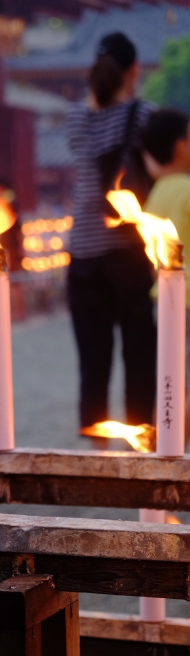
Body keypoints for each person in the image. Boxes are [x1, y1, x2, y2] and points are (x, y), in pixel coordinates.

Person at [67, 32, 156, 430]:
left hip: (82, 252)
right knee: (138, 353)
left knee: (92, 358)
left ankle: (95, 444)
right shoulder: (143, 115)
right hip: (126, 250)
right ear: (134, 70)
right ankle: (142, 438)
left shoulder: (74, 118)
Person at [140, 108, 190, 440]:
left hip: (166, 299)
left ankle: (166, 447)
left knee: (171, 379)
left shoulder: (155, 193)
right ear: (180, 145)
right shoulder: (187, 188)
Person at [0, 175, 25, 320]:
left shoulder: (5, 204)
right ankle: (16, 312)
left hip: (9, 248)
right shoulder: (8, 202)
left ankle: (17, 313)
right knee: (12, 280)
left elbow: (14, 229)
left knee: (12, 281)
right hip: (9, 248)